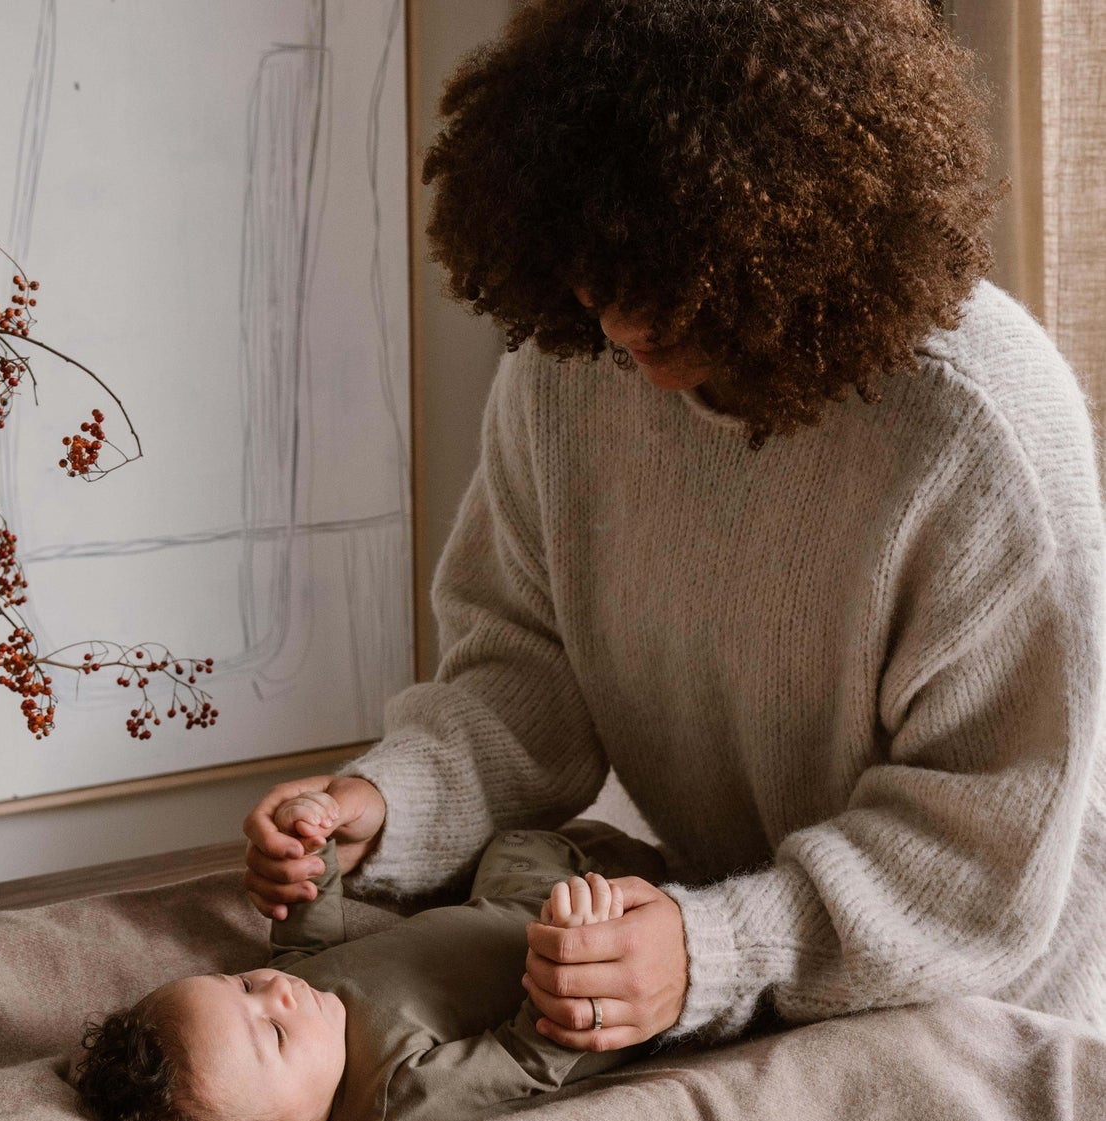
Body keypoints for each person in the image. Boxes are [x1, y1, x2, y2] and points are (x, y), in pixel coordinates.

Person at [242, 0, 1106, 1052]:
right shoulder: (562, 374)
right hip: (733, 962)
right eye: (588, 265)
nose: (611, 318)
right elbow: (527, 676)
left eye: (660, 267)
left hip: (999, 996)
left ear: (786, 220)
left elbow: (977, 854)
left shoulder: (979, 430)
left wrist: (715, 949)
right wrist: (386, 799)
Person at [74, 792, 669, 1121]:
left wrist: (312, 848)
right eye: (275, 1035)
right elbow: (523, 1062)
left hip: (506, 906)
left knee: (521, 841)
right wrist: (569, 965)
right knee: (624, 929)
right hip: (569, 973)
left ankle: (628, 872)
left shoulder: (295, 988)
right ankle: (657, 901)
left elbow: (307, 933)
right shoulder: (395, 1097)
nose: (278, 993)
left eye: (242, 985)